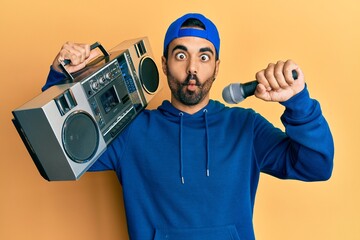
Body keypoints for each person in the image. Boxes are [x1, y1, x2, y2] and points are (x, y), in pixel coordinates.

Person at [42, 13, 334, 240]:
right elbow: (52, 151)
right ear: (165, 64)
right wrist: (60, 76)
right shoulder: (131, 132)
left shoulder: (246, 127)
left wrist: (298, 102)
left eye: (204, 56)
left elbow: (316, 166)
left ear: (217, 66)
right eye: (181, 55)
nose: (192, 68)